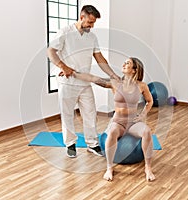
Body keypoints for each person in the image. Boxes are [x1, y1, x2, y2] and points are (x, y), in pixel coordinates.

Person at [47, 5, 119, 158]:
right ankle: (70, 144)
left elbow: (100, 58)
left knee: (90, 113)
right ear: (82, 17)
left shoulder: (91, 37)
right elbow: (50, 51)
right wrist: (63, 66)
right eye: (90, 22)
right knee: (67, 115)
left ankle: (92, 144)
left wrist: (113, 75)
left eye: (93, 23)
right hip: (67, 82)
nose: (91, 26)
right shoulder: (65, 32)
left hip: (84, 82)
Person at [73, 57, 155, 181]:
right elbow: (93, 78)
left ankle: (148, 168)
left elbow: (150, 101)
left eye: (128, 63)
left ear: (134, 70)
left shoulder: (141, 86)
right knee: (112, 133)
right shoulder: (115, 83)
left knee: (147, 131)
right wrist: (74, 73)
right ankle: (109, 167)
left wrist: (143, 114)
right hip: (118, 121)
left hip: (133, 122)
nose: (123, 64)